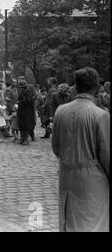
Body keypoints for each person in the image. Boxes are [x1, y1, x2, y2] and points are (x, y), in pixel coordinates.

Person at [52, 67, 109, 232]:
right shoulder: (100, 115)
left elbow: (56, 146)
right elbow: (106, 154)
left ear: (75, 86)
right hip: (92, 179)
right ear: (96, 87)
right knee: (93, 222)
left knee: (69, 220)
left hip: (67, 173)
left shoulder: (60, 111)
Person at [17, 77, 35, 145]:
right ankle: (22, 138)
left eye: (22, 85)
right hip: (21, 111)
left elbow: (28, 101)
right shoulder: (21, 90)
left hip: (27, 111)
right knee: (21, 125)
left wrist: (20, 102)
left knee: (27, 126)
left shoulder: (28, 91)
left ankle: (26, 139)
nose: (21, 86)